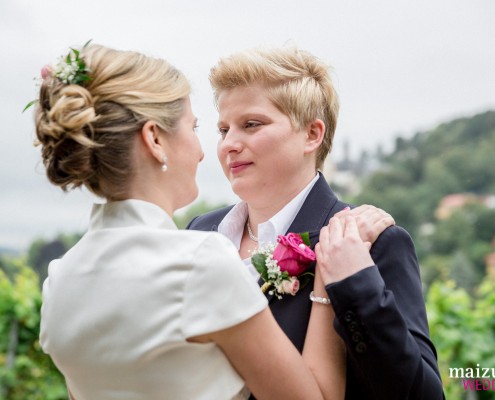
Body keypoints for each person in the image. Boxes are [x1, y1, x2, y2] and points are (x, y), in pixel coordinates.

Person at [34, 43, 356, 400]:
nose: (207, 150)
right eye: (195, 126)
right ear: (155, 139)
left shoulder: (59, 281)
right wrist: (327, 279)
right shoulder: (200, 261)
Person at [187, 46, 445, 399]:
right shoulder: (198, 233)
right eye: (223, 129)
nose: (229, 144)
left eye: (251, 124)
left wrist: (354, 284)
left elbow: (424, 395)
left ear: (312, 134)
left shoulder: (373, 242)